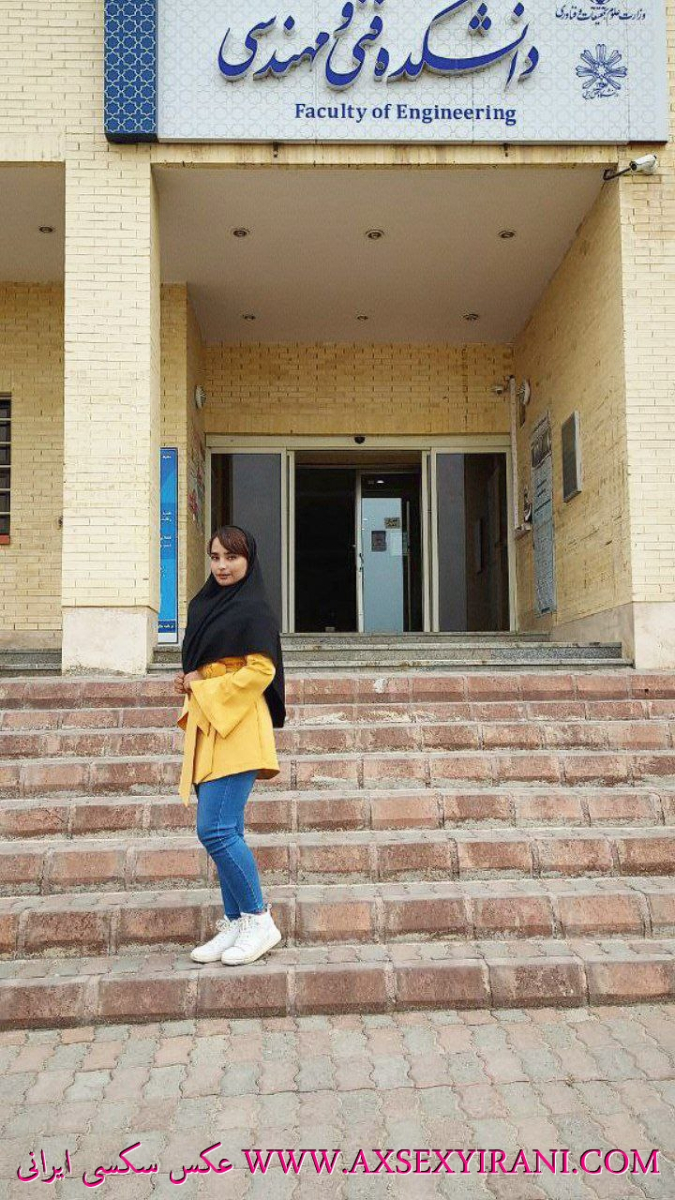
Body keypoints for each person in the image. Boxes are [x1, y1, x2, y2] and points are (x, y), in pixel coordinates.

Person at [174, 524, 286, 967]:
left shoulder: (254, 608)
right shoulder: (205, 604)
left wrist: (205, 680)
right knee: (228, 831)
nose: (222, 566)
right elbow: (206, 662)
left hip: (237, 726)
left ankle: (259, 919)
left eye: (231, 557)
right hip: (210, 727)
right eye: (216, 557)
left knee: (215, 830)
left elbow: (261, 671)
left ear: (248, 560)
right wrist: (193, 679)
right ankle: (236, 922)